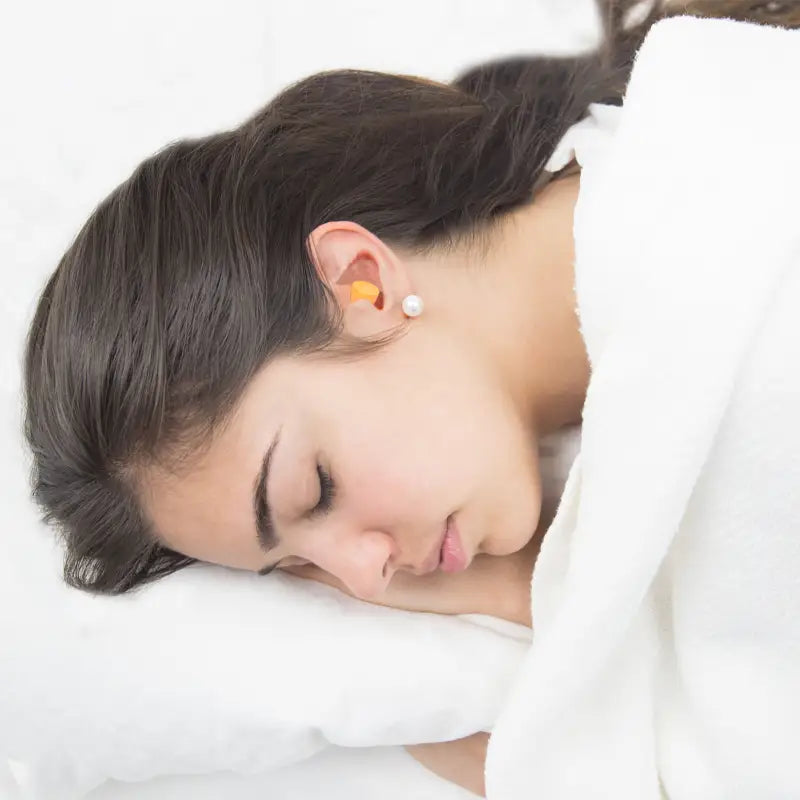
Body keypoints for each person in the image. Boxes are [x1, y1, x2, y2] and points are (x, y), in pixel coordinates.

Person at [20, 0, 798, 796]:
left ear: (363, 280)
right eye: (296, 567)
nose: (367, 582)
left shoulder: (754, 281)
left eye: (313, 489)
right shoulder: (640, 177)